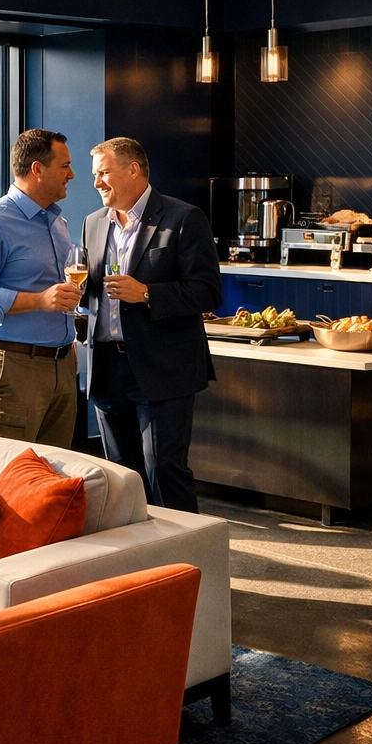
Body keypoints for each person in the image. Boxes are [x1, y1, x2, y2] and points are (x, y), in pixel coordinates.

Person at [83, 137, 221, 512]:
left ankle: (188, 546)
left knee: (164, 470)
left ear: (133, 170)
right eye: (95, 174)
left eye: (103, 173)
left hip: (163, 368)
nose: (96, 183)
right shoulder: (93, 223)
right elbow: (93, 292)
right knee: (121, 477)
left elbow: (208, 292)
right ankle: (139, 548)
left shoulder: (183, 218)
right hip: (107, 368)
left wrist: (146, 293)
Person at [0, 129, 81, 446]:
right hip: (14, 369)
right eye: (64, 166)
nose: (71, 174)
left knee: (55, 469)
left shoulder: (58, 223)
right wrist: (40, 300)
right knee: (13, 468)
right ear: (38, 169)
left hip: (62, 365)